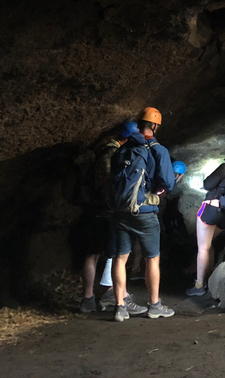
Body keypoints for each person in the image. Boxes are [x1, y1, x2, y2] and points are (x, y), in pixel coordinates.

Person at [110, 107, 176, 321]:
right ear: (155, 126)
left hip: (121, 210)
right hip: (145, 211)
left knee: (119, 258)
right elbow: (168, 181)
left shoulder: (123, 149)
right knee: (152, 259)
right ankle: (155, 305)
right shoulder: (158, 150)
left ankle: (120, 306)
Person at [77, 121, 143, 314]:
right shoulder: (115, 154)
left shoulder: (100, 150)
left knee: (93, 254)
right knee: (117, 254)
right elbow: (110, 182)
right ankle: (117, 296)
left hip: (91, 208)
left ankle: (88, 299)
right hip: (108, 210)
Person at [186, 141, 225, 297]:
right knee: (208, 245)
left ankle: (199, 285)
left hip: (211, 209)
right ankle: (208, 277)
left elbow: (207, 184)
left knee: (203, 247)